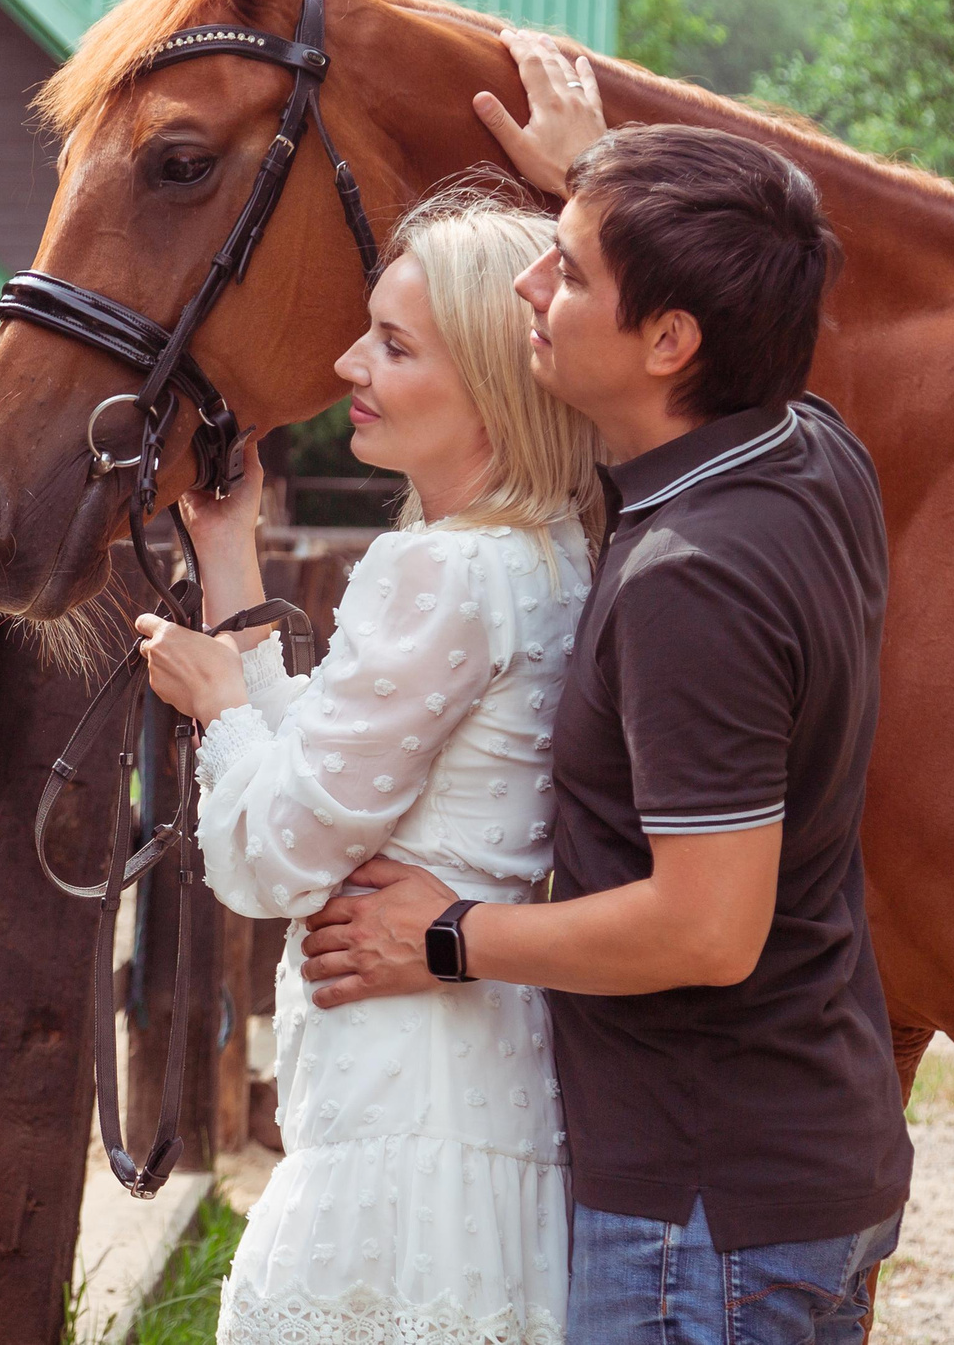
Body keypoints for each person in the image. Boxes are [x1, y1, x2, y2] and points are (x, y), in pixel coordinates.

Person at [295, 33, 914, 1341]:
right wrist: (603, 184)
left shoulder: (696, 578)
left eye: (568, 269)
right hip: (796, 1161)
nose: (530, 279)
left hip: (705, 1215)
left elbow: (706, 925)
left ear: (672, 339)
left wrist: (451, 932)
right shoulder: (807, 454)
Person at [134, 192, 603, 1345]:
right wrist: (231, 557)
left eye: (394, 345)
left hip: (404, 1097)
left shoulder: (432, 574)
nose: (350, 359)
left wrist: (215, 703)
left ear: (491, 392)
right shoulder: (545, 558)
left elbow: (273, 853)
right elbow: (341, 773)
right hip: (477, 1081)